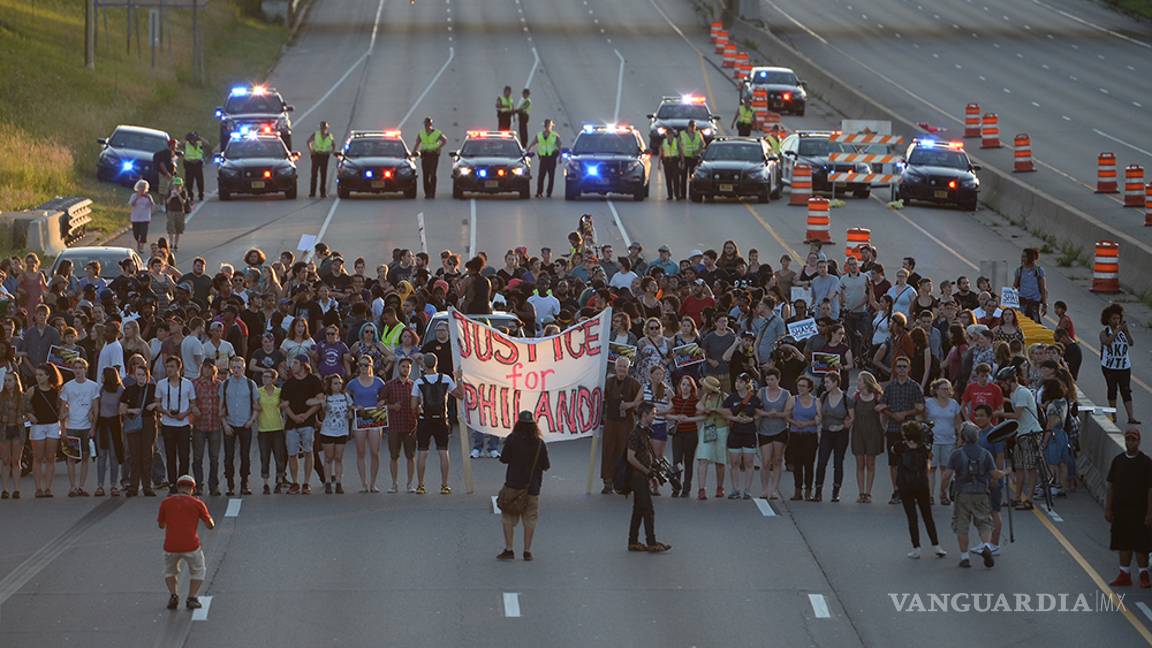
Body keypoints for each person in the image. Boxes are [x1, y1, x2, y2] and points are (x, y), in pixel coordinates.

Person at [498, 411, 551, 561]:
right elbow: (546, 465)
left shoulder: (512, 439)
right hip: (532, 487)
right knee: (530, 518)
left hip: (513, 485)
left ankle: (509, 549)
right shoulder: (539, 443)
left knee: (508, 517)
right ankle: (527, 551)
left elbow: (504, 459)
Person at [157, 474, 215, 611]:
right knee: (198, 570)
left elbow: (161, 525)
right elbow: (210, 525)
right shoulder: (197, 503)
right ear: (192, 489)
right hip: (191, 545)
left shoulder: (166, 502)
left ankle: (173, 595)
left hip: (170, 545)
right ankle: (192, 597)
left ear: (178, 487)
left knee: (170, 571)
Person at [892, 421, 947, 559]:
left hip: (905, 485)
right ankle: (936, 546)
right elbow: (930, 458)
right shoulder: (924, 448)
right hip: (921, 484)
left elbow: (892, 450)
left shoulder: (900, 446)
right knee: (927, 516)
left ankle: (916, 547)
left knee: (912, 517)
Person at [1106, 427, 1152, 587]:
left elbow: (1150, 490)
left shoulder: (1146, 463)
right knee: (1123, 543)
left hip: (1140, 511)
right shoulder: (1118, 461)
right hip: (1121, 511)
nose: (1130, 442)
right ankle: (1124, 574)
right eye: (1128, 439)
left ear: (1138, 442)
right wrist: (1108, 508)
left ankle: (1143, 574)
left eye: (1133, 439)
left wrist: (1149, 513)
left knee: (1142, 545)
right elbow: (1111, 486)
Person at [947, 422, 998, 569]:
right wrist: (1003, 474)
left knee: (962, 525)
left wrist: (942, 491)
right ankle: (986, 546)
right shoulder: (985, 454)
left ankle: (964, 557)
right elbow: (994, 474)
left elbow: (947, 474)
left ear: (962, 437)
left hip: (962, 493)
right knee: (984, 522)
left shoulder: (957, 454)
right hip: (981, 493)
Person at [411, 353, 461, 495]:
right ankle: (444, 485)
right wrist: (459, 379)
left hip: (424, 419)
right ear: (436, 363)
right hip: (441, 419)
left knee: (422, 452)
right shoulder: (445, 379)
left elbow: (413, 404)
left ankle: (420, 485)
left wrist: (419, 407)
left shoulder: (418, 382)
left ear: (423, 365)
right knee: (443, 451)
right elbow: (459, 394)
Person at [877, 355, 925, 505]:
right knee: (894, 462)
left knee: (912, 461)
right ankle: (897, 489)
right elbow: (880, 406)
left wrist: (905, 414)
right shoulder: (890, 387)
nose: (902, 369)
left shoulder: (915, 386)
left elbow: (921, 408)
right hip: (893, 428)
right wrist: (892, 415)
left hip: (910, 430)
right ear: (895, 369)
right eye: (899, 367)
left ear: (909, 369)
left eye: (904, 366)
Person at [995, 365, 1043, 511]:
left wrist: (999, 414)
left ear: (1010, 380)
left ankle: (1028, 499)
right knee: (1020, 467)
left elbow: (1017, 415)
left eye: (1003, 383)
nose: (1002, 386)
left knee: (1030, 467)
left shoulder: (1021, 393)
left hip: (1030, 433)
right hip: (1021, 433)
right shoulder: (1013, 394)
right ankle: (1017, 497)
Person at [626, 403, 672, 553]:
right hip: (638, 477)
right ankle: (651, 542)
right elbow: (631, 457)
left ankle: (633, 541)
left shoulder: (645, 432)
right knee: (648, 510)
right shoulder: (635, 434)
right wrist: (647, 471)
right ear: (644, 415)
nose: (655, 416)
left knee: (638, 510)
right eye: (652, 413)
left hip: (642, 476)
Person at [281, 355, 323, 494]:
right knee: (292, 453)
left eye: (296, 363)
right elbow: (284, 403)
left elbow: (319, 401)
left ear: (304, 365)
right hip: (292, 423)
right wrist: (294, 416)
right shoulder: (289, 383)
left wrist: (307, 415)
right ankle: (295, 482)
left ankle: (306, 482)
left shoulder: (313, 381)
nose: (293, 365)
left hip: (308, 422)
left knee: (308, 451)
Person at [602, 356, 643, 494]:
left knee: (625, 451)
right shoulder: (608, 382)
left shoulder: (634, 384)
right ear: (615, 367)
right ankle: (608, 482)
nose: (622, 369)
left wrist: (629, 405)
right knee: (609, 450)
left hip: (627, 423)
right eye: (620, 366)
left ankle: (624, 483)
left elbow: (641, 402)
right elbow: (600, 398)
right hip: (611, 422)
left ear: (628, 369)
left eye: (625, 367)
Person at [347, 354, 387, 493]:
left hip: (374, 416)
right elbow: (345, 395)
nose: (364, 367)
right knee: (360, 451)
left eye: (366, 365)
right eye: (361, 365)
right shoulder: (353, 382)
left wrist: (382, 402)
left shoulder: (378, 381)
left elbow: (385, 394)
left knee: (375, 451)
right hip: (361, 417)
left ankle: (373, 483)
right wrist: (353, 406)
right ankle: (364, 483)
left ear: (371, 366)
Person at [156, 357, 196, 495]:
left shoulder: (187, 384)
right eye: (167, 367)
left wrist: (184, 414)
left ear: (179, 368)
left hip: (183, 424)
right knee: (170, 456)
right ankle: (173, 485)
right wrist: (165, 412)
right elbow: (157, 403)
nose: (169, 369)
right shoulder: (161, 384)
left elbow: (193, 404)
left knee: (184, 456)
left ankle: (184, 485)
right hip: (168, 424)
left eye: (172, 367)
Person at [60, 357, 100, 497]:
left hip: (86, 426)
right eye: (75, 368)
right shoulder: (67, 386)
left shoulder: (93, 386)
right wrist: (63, 428)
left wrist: (93, 426)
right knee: (71, 458)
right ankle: (72, 487)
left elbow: (95, 407)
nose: (77, 370)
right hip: (72, 426)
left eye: (80, 368)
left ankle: (82, 486)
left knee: (85, 457)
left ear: (85, 369)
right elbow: (63, 408)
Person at [220, 356, 258, 496]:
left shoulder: (250, 384)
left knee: (245, 455)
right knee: (229, 456)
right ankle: (230, 484)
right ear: (230, 368)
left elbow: (256, 406)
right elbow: (221, 407)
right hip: (230, 423)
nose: (236, 370)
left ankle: (244, 483)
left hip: (245, 423)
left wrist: (251, 420)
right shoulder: (225, 384)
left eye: (239, 367)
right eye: (234, 367)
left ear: (244, 368)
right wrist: (224, 424)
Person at [814, 372, 853, 503]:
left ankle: (835, 492)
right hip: (826, 432)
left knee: (838, 462)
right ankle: (818, 491)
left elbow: (851, 418)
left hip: (840, 433)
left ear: (836, 382)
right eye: (825, 382)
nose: (825, 385)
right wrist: (818, 423)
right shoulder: (824, 396)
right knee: (821, 462)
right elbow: (819, 414)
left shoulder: (846, 399)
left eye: (828, 382)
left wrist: (841, 426)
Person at [722, 373, 761, 500]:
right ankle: (735, 489)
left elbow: (759, 413)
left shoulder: (753, 399)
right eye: (736, 381)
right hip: (735, 433)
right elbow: (725, 413)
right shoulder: (731, 398)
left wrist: (751, 419)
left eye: (740, 382)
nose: (737, 384)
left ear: (746, 384)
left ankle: (748, 490)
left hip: (749, 432)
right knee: (735, 462)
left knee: (749, 462)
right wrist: (734, 418)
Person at [27, 364, 63, 498]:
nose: (38, 377)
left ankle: (48, 488)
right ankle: (38, 488)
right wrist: (30, 415)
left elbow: (61, 406)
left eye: (41, 375)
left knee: (50, 457)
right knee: (37, 457)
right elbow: (24, 405)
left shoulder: (56, 390)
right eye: (37, 374)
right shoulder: (32, 390)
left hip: (53, 425)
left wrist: (63, 415)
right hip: (38, 426)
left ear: (49, 376)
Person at [924, 378, 961, 505]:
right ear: (936, 390)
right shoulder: (929, 403)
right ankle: (929, 496)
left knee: (946, 469)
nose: (946, 391)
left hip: (949, 440)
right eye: (943, 389)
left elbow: (958, 422)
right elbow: (922, 418)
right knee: (931, 468)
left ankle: (943, 493)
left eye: (947, 388)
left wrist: (960, 438)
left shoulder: (954, 404)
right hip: (933, 440)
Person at [1099, 303, 1138, 425]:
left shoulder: (1123, 332)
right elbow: (1107, 342)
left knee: (1126, 390)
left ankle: (1131, 417)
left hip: (1124, 366)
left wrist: (1126, 332)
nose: (1116, 321)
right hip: (1110, 367)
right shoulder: (1104, 332)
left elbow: (1131, 343)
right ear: (1108, 320)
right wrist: (1117, 331)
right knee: (1112, 390)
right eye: (1113, 319)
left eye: (1118, 318)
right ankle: (1113, 415)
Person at [755, 368, 789, 500]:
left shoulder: (785, 394)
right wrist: (766, 414)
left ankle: (774, 489)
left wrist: (778, 414)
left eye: (772, 380)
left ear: (778, 379)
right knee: (766, 461)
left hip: (780, 429)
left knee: (777, 460)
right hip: (764, 429)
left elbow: (788, 412)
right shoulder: (762, 392)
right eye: (768, 379)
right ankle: (764, 489)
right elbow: (756, 408)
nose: (769, 382)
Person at [851, 371, 884, 503]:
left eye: (859, 381)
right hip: (858, 432)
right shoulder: (856, 397)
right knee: (860, 463)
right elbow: (851, 413)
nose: (857, 383)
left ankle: (868, 492)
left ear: (866, 382)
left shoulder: (877, 397)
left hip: (873, 432)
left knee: (870, 463)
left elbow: (884, 414)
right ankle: (861, 492)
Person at [786, 376, 821, 501]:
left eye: (803, 386)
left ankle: (808, 491)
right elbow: (786, 415)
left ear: (809, 388)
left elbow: (819, 418)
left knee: (809, 464)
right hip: (796, 435)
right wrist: (794, 422)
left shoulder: (816, 401)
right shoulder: (793, 399)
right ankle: (797, 490)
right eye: (799, 385)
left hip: (810, 435)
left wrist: (807, 424)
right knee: (797, 464)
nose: (800, 388)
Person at [190, 360, 221, 496]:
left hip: (215, 424)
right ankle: (199, 485)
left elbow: (223, 402)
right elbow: (190, 401)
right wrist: (194, 408)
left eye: (209, 368)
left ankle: (214, 486)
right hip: (199, 424)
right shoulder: (195, 384)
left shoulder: (219, 385)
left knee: (214, 457)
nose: (207, 371)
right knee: (198, 457)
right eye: (204, 368)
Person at [666, 375, 701, 498]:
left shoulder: (695, 400)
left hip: (691, 433)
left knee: (688, 461)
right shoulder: (676, 399)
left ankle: (686, 488)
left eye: (688, 385)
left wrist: (689, 419)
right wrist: (676, 417)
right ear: (679, 386)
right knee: (677, 461)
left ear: (692, 387)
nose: (685, 387)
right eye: (683, 384)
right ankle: (676, 487)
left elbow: (704, 414)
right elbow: (666, 413)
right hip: (678, 434)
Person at [317, 374, 352, 494]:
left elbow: (351, 408)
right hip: (328, 430)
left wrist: (350, 413)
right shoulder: (326, 397)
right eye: (335, 383)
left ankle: (338, 482)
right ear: (330, 385)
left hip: (342, 430)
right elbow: (320, 410)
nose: (338, 386)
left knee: (338, 458)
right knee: (328, 457)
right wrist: (323, 406)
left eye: (339, 383)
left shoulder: (345, 396)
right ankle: (327, 482)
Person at [93, 367, 125, 497]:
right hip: (103, 424)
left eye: (104, 375)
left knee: (114, 456)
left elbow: (123, 407)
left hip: (115, 424)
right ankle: (100, 485)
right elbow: (97, 406)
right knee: (102, 456)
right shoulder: (102, 389)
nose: (102, 377)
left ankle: (113, 485)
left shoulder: (120, 390)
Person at [0, 372, 26, 499]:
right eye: (5, 381)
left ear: (16, 381)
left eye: (9, 380)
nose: (7, 383)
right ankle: (4, 489)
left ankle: (16, 489)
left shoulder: (22, 397)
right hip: (4, 430)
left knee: (16, 461)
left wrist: (23, 418)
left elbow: (30, 412)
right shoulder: (1, 397)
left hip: (17, 430)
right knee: (5, 461)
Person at [525, 118, 561, 198]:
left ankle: (549, 192)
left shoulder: (555, 135)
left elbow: (559, 147)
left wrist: (560, 157)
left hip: (552, 158)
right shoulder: (539, 135)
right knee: (541, 176)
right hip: (543, 158)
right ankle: (539, 192)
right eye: (547, 125)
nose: (548, 127)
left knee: (551, 176)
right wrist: (527, 152)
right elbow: (532, 144)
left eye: (549, 125)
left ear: (551, 126)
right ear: (544, 126)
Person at [413, 117, 447, 199]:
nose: (426, 126)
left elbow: (444, 140)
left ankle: (432, 193)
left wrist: (438, 147)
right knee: (425, 174)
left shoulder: (436, 133)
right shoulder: (421, 133)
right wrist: (412, 153)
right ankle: (427, 192)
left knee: (433, 174)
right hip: (425, 155)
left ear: (431, 124)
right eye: (425, 124)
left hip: (433, 155)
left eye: (428, 124)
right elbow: (417, 144)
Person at [1013, 248, 1048, 323]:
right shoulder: (1019, 270)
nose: (1023, 259)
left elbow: (1043, 288)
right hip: (1022, 301)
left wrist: (1044, 304)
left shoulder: (1039, 271)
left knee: (1035, 322)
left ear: (1030, 257)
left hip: (1034, 302)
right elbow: (1015, 286)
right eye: (1022, 256)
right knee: (1021, 322)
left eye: (1025, 257)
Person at [678, 120, 706, 198]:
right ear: (688, 127)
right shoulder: (682, 134)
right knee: (683, 177)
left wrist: (697, 152)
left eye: (694, 127)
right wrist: (682, 159)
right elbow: (679, 147)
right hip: (685, 158)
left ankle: (691, 194)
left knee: (692, 177)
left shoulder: (698, 134)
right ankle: (683, 195)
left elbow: (703, 144)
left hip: (694, 158)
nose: (693, 128)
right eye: (692, 127)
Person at [307, 121, 334, 198]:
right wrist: (311, 151)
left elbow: (333, 144)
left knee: (323, 175)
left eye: (324, 128)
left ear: (327, 128)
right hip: (316, 155)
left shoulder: (329, 135)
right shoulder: (316, 134)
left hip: (325, 156)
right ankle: (312, 192)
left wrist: (330, 151)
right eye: (322, 127)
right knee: (314, 174)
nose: (323, 129)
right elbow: (308, 141)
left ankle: (323, 192)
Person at [165, 177, 191, 253]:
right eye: (175, 185)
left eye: (178, 185)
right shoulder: (170, 191)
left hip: (180, 212)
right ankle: (171, 244)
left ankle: (176, 244)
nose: (177, 186)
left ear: (181, 185)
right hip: (171, 211)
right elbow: (167, 202)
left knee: (178, 229)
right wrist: (171, 196)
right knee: (170, 228)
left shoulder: (183, 192)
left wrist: (178, 195)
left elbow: (183, 202)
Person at [129, 179, 155, 252]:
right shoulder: (134, 195)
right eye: (141, 187)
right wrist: (138, 197)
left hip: (145, 218)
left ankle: (141, 246)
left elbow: (152, 205)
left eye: (144, 188)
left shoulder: (148, 196)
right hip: (135, 218)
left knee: (143, 233)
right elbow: (132, 204)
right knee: (136, 233)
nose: (142, 189)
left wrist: (149, 199)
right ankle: (138, 243)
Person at [182, 132, 208, 201]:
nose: (193, 140)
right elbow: (180, 143)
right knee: (189, 182)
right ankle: (190, 195)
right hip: (189, 164)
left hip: (198, 164)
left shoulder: (200, 143)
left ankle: (201, 195)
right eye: (191, 139)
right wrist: (186, 139)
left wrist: (199, 137)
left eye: (194, 138)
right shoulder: (186, 144)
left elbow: (207, 143)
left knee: (200, 181)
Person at [658, 127, 681, 200]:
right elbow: (660, 153)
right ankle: (670, 195)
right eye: (669, 134)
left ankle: (677, 194)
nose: (670, 136)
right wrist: (659, 163)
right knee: (668, 179)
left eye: (671, 134)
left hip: (675, 161)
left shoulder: (676, 141)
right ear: (666, 135)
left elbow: (681, 151)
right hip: (666, 162)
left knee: (676, 178)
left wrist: (682, 161)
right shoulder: (663, 142)